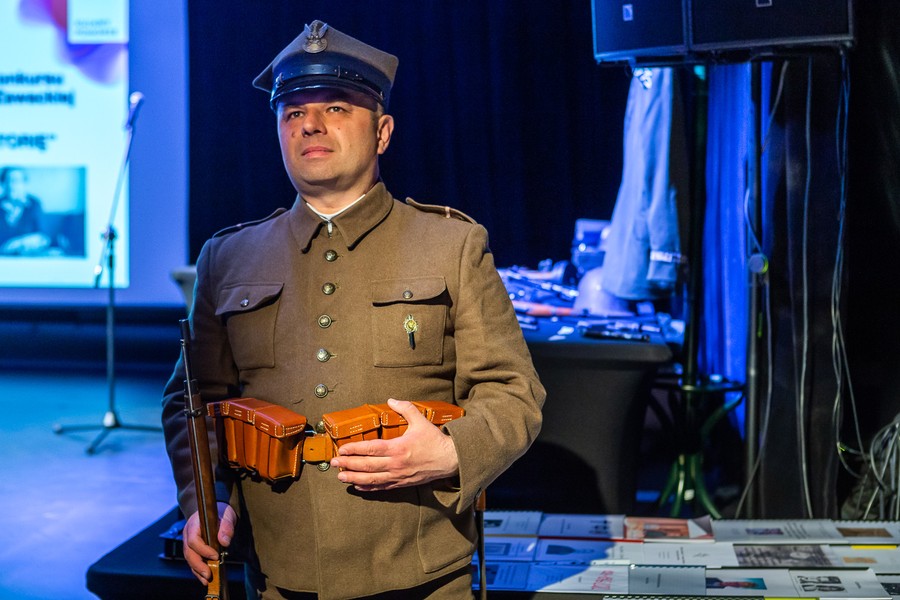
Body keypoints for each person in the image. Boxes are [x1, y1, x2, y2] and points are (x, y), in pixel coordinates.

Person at [161, 19, 545, 600]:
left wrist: (449, 452)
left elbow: (514, 393)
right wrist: (205, 501)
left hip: (418, 568)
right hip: (279, 569)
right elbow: (191, 401)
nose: (310, 124)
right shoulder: (229, 257)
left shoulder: (451, 246)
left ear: (383, 132)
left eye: (336, 108)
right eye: (292, 112)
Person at [0, 166, 51, 255]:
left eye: (16, 181)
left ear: (24, 184)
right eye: (7, 180)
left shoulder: (34, 204)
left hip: (27, 255)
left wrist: (19, 243)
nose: (11, 185)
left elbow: (43, 237)